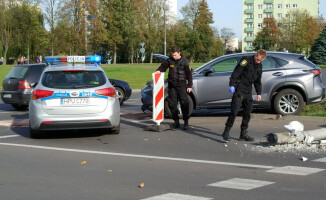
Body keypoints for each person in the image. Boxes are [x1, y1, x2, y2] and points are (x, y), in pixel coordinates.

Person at [222, 49, 267, 142]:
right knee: (234, 111)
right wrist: (231, 85)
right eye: (257, 59)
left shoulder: (259, 66)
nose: (258, 61)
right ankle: (226, 132)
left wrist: (259, 93)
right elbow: (236, 73)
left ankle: (243, 134)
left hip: (248, 90)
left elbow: (258, 81)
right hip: (239, 88)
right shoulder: (245, 61)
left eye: (260, 61)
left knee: (247, 113)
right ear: (256, 55)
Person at [156, 46, 193, 130]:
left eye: (175, 55)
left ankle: (186, 122)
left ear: (179, 53)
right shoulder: (169, 60)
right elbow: (163, 67)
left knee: (184, 104)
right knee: (172, 104)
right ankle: (176, 122)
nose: (174, 57)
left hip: (182, 86)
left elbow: (189, 74)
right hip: (172, 86)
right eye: (172, 55)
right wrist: (158, 70)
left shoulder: (184, 61)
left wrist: (190, 85)